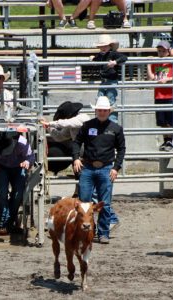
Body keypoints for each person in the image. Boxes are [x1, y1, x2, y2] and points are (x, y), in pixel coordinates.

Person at [72, 96, 126, 244]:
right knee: (84, 202)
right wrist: (76, 158)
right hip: (87, 167)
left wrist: (116, 168)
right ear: (96, 111)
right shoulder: (87, 126)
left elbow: (121, 149)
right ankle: (87, 232)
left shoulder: (116, 129)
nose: (102, 112)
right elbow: (77, 142)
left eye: (104, 110)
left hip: (106, 168)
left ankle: (103, 233)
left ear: (109, 111)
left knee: (105, 203)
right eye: (99, 110)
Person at [0, 131, 35, 235]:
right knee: (2, 192)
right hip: (0, 167)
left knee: (18, 194)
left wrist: (27, 162)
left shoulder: (22, 143)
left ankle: (9, 220)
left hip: (18, 166)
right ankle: (3, 223)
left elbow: (31, 157)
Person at [147, 41, 173, 152]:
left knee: (170, 121)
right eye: (159, 51)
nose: (161, 53)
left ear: (168, 52)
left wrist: (168, 79)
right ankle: (166, 140)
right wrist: (149, 65)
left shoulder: (171, 63)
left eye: (163, 51)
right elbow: (151, 78)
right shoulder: (156, 63)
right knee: (162, 121)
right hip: (159, 96)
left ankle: (171, 141)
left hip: (169, 96)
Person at [91, 34, 127, 123]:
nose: (103, 48)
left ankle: (112, 121)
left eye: (105, 46)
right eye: (101, 46)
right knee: (100, 100)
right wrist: (92, 59)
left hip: (112, 81)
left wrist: (115, 62)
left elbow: (124, 57)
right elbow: (95, 61)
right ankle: (100, 121)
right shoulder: (100, 55)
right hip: (103, 81)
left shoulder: (114, 53)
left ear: (110, 46)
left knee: (110, 101)